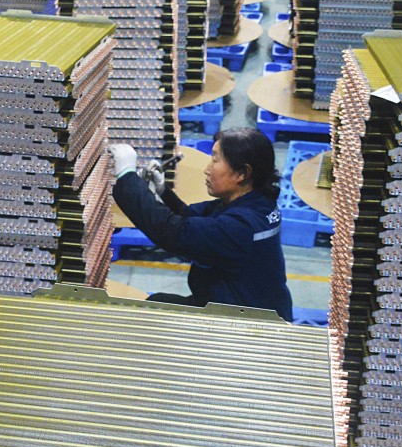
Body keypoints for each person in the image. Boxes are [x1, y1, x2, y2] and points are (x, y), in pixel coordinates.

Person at [108, 129, 294, 322]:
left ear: (242, 173)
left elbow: (173, 232)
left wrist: (126, 176)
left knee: (151, 318)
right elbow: (193, 218)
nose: (207, 169)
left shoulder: (240, 226)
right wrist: (163, 191)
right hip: (241, 304)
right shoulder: (258, 202)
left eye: (215, 159)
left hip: (248, 327)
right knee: (156, 302)